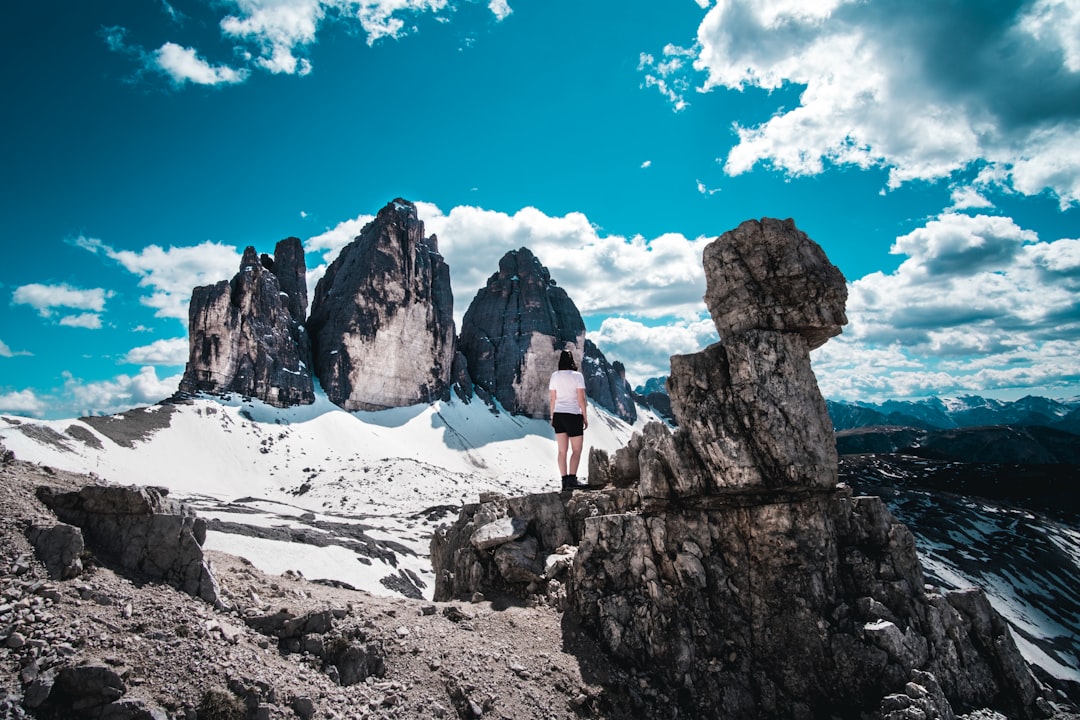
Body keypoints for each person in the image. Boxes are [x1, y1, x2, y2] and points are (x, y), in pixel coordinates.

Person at [548, 350, 588, 490]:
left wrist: (552, 416)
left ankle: (564, 481)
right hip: (573, 415)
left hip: (558, 415)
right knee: (576, 450)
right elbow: (581, 399)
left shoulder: (555, 376)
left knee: (561, 451)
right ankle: (572, 480)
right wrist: (585, 416)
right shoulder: (577, 376)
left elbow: (553, 398)